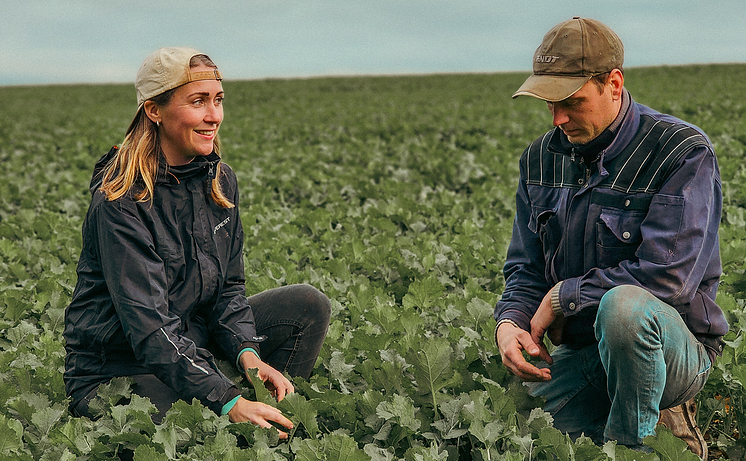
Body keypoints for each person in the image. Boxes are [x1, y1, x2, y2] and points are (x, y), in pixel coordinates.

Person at [63, 47, 331, 436]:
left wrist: (248, 354)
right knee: (206, 428)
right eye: (198, 101)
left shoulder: (219, 181)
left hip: (190, 340)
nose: (214, 116)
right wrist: (227, 399)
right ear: (154, 109)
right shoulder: (121, 199)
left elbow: (229, 291)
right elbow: (150, 329)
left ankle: (272, 415)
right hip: (119, 369)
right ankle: (245, 414)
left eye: (218, 100)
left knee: (306, 306)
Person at [493, 17, 728, 457]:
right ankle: (619, 408)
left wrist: (564, 296)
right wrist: (509, 324)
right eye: (549, 104)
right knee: (512, 433)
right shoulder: (541, 159)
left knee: (624, 309)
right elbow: (524, 268)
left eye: (572, 102)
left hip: (672, 350)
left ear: (613, 84)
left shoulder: (680, 153)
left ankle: (639, 439)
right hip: (583, 351)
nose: (558, 118)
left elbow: (666, 279)